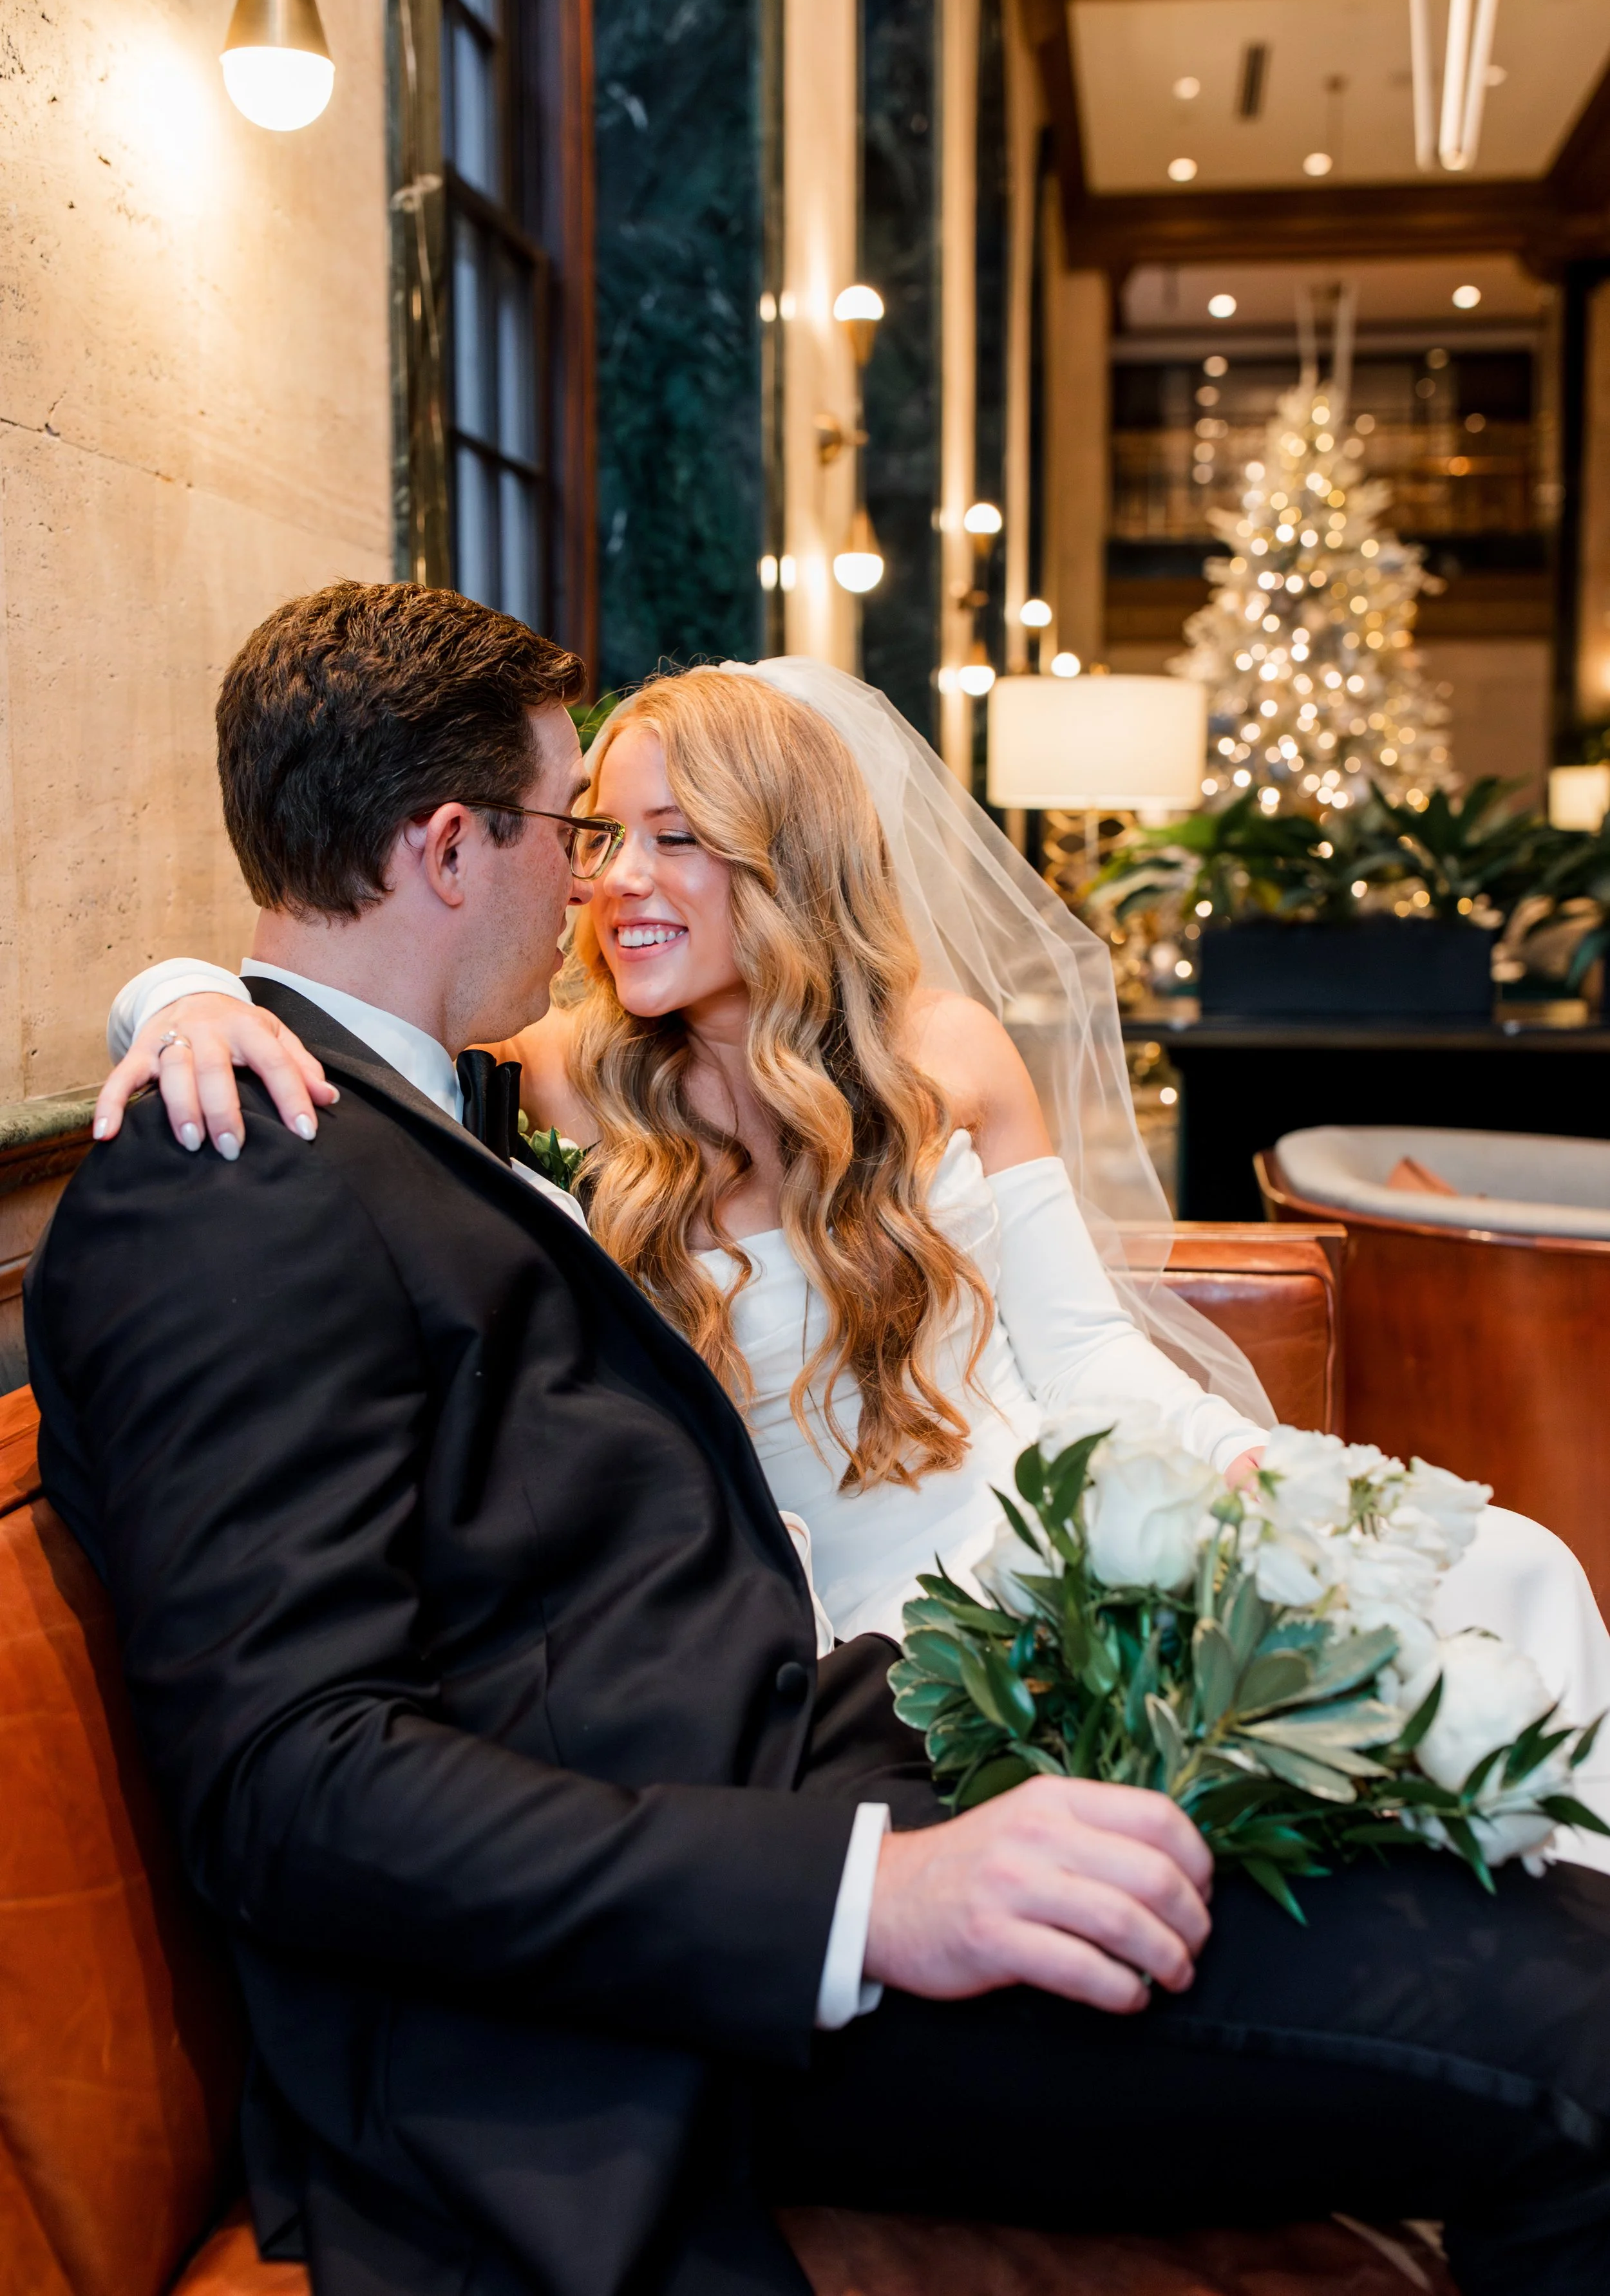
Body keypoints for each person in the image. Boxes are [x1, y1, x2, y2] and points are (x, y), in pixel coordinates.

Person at [39, 581, 1610, 2296]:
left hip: (837, 1748)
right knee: (1569, 2040)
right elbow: (298, 1781)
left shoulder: (391, 1111)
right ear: (443, 848)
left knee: (1540, 1905)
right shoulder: (233, 1173)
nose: (595, 882)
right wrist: (882, 1892)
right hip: (704, 1981)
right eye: (573, 831)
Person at [99, 660, 1610, 1865]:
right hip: (856, 1633)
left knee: (1509, 1570)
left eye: (676, 839)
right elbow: (339, 1011)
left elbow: (1082, 1359)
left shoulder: (941, 1052)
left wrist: (1244, 1479)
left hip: (1044, 1521)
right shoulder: (560, 1073)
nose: (613, 881)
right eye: (600, 835)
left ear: (787, 860)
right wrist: (174, 1003)